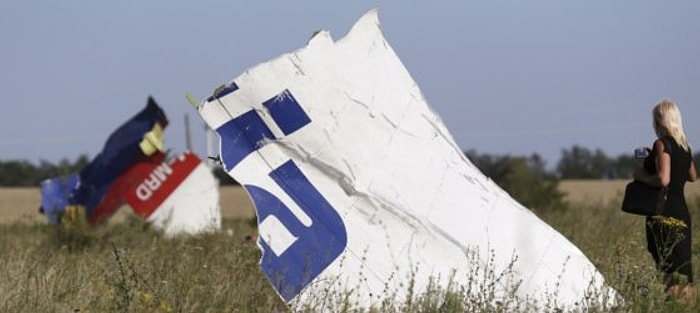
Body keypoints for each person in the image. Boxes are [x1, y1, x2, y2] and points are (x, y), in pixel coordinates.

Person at [634, 99, 697, 301]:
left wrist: (640, 176)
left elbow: (663, 179)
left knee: (667, 269)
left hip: (663, 211)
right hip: (682, 211)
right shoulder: (684, 146)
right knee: (683, 269)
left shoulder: (662, 144)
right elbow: (693, 176)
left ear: (659, 122)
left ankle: (671, 307)